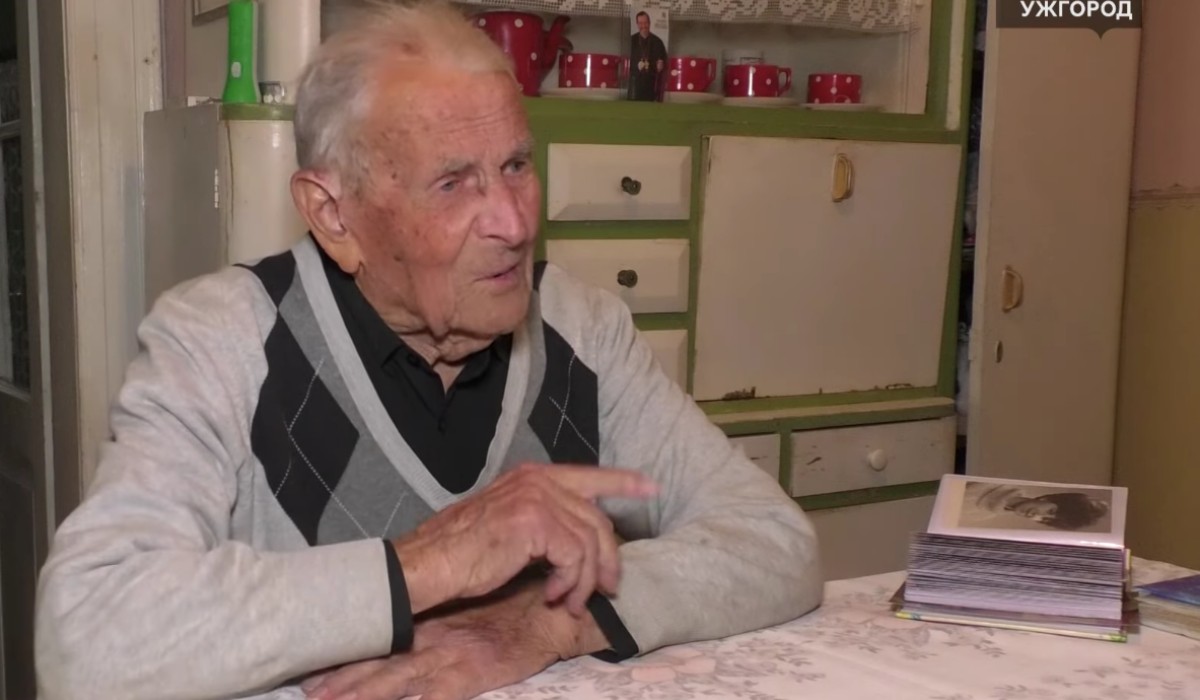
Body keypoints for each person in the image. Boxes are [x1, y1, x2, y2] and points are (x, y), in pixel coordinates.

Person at [33, 3, 823, 699]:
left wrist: (544, 622)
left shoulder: (581, 331)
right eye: (453, 183)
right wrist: (425, 565)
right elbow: (87, 635)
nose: (514, 222)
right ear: (333, 214)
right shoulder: (224, 340)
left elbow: (772, 540)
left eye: (516, 166)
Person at [963, 480, 1110, 531]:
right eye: (1050, 511)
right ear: (1048, 498)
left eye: (1045, 520)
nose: (1037, 516)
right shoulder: (995, 481)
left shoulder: (979, 516)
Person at [627, 10, 667, 101]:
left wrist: (660, 66)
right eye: (640, 23)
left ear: (649, 23)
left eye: (645, 23)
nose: (643, 26)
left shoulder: (658, 42)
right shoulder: (631, 41)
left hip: (651, 84)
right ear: (637, 24)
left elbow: (663, 63)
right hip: (634, 84)